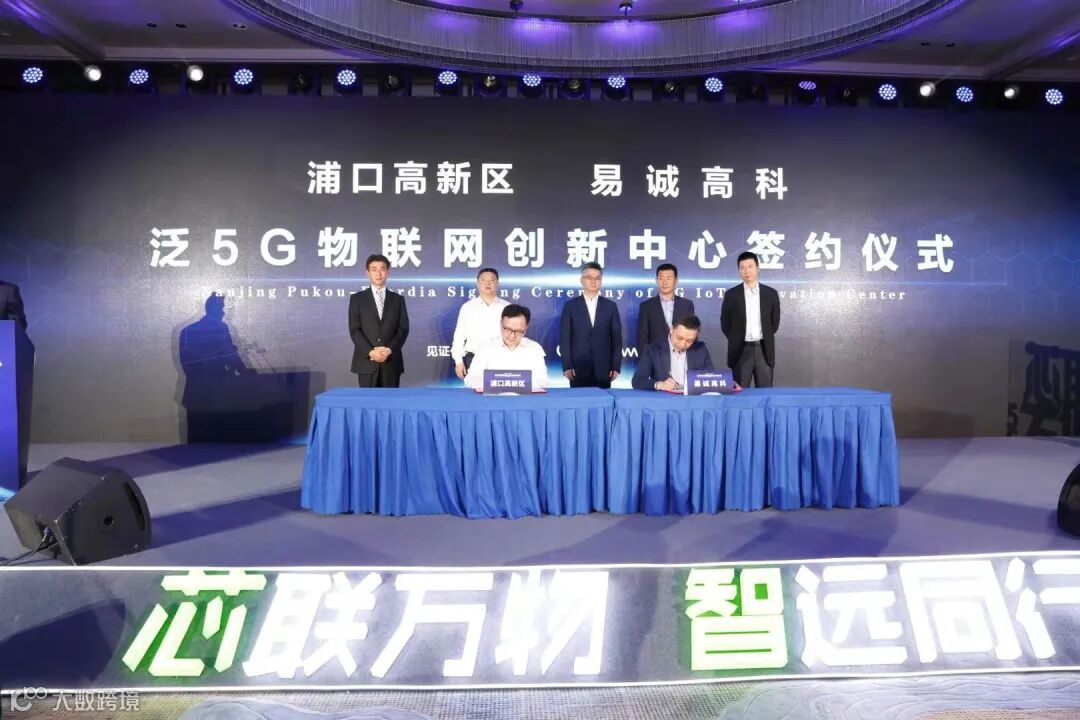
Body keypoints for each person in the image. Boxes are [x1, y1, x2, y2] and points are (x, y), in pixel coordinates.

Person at [720, 251, 780, 388]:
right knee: (739, 392)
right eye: (742, 267)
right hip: (741, 350)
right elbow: (725, 323)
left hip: (763, 350)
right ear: (739, 271)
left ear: (758, 268)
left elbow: (774, 323)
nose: (747, 271)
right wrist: (737, 338)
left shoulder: (770, 294)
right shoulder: (731, 295)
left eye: (750, 266)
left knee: (765, 393)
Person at [348, 254, 409, 387]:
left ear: (387, 272)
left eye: (382, 269)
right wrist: (371, 352)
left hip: (391, 362)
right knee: (367, 400)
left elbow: (403, 329)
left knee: (390, 399)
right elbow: (355, 330)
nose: (378, 273)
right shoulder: (357, 299)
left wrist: (389, 350)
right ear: (367, 273)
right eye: (374, 269)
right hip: (366, 362)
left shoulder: (398, 300)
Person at [559, 262, 622, 388]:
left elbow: (616, 339)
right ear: (582, 280)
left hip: (604, 368)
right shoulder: (571, 306)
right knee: (579, 399)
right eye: (589, 277)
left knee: (604, 399)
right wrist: (567, 365)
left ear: (601, 281)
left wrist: (616, 366)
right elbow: (565, 338)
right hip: (577, 368)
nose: (593, 281)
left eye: (597, 278)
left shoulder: (610, 306)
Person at [464, 304, 548, 391]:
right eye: (508, 329)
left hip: (525, 399)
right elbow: (470, 380)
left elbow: (542, 381)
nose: (512, 336)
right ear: (500, 324)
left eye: (519, 331)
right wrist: (515, 382)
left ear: (526, 328)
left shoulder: (534, 348)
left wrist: (497, 381)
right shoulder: (485, 348)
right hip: (492, 399)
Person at [450, 267, 509, 380]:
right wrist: (458, 361)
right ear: (477, 284)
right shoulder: (468, 307)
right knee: (474, 391)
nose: (488, 283)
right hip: (473, 359)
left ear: (497, 283)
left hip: (500, 358)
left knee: (501, 390)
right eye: (483, 280)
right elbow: (459, 336)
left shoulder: (507, 307)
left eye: (492, 280)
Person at [632, 315, 715, 391]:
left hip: (693, 400)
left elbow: (711, 379)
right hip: (665, 400)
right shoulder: (653, 350)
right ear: (671, 329)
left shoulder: (700, 349)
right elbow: (637, 381)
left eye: (689, 341)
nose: (683, 344)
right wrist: (659, 385)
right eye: (679, 338)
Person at [636, 263, 694, 356]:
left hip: (681, 357)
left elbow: (692, 334)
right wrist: (645, 361)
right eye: (661, 278)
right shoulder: (646, 306)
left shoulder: (686, 305)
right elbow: (642, 339)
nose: (665, 282)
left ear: (676, 281)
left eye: (668, 278)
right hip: (655, 358)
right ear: (656, 281)